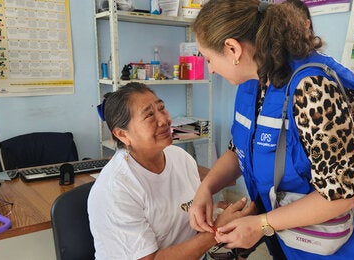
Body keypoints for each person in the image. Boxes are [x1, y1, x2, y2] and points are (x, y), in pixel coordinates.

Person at [189, 0, 354, 259]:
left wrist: (261, 224)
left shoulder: (313, 89)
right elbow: (240, 148)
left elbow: (343, 194)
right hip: (294, 237)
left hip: (352, 242)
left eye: (209, 58)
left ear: (233, 48)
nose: (211, 69)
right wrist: (205, 189)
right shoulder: (254, 82)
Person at [87, 82, 256, 259]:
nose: (164, 120)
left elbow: (178, 215)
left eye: (162, 108)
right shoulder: (115, 189)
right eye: (149, 115)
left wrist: (211, 216)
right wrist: (215, 232)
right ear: (122, 134)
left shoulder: (179, 157)